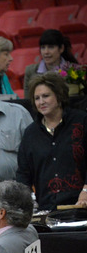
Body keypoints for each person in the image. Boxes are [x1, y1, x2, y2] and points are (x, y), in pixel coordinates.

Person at [16, 72, 87, 211]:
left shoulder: (82, 121)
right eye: (37, 98)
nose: (41, 102)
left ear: (59, 96)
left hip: (81, 207)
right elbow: (23, 173)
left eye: (46, 96)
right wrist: (28, 200)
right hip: (46, 210)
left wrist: (85, 192)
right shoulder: (30, 133)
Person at [23, 29, 79, 100]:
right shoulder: (30, 71)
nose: (46, 52)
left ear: (61, 48)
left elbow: (76, 100)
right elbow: (28, 101)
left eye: (51, 47)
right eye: (43, 47)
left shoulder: (74, 71)